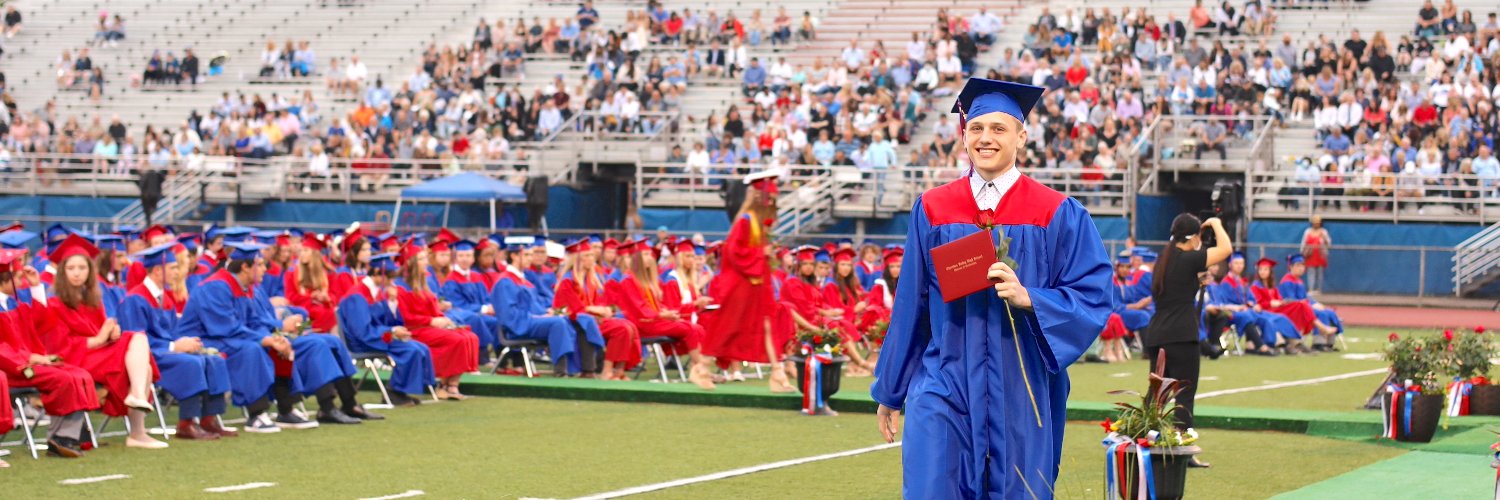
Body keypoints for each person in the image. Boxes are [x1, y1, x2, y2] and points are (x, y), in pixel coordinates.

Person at [870, 79, 1113, 497]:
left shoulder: (1057, 212)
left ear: (1022, 135)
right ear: (963, 135)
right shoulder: (933, 208)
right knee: (932, 486)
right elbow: (913, 303)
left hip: (1022, 386)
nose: (986, 138)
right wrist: (891, 388)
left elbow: (1093, 295)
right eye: (976, 128)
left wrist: (1032, 298)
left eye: (999, 129)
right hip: (944, 380)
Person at [45, 235, 169, 449]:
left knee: (141, 356)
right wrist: (100, 338)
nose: (76, 273)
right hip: (74, 361)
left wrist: (112, 333)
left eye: (82, 268)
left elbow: (103, 332)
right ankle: (137, 422)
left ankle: (137, 415)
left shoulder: (93, 300)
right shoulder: (54, 304)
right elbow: (59, 348)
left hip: (98, 357)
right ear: (62, 272)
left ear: (90, 271)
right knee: (138, 344)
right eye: (71, 268)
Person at [117, 243, 236, 440]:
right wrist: (174, 347)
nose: (178, 272)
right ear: (157, 271)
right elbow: (134, 341)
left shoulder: (165, 298)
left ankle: (209, 419)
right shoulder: (135, 299)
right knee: (191, 363)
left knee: (213, 358)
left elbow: (172, 332)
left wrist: (186, 343)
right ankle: (186, 423)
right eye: (172, 268)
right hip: (148, 357)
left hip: (167, 351)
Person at [1142, 213, 1231, 468]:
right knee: (1184, 394)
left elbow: (1190, 281)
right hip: (1181, 334)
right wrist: (1215, 223)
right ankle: (1182, 449)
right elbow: (1225, 249)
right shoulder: (1189, 258)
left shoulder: (1164, 258)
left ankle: (1143, 439)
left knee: (1157, 394)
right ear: (1194, 237)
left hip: (1158, 332)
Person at [0, 248, 99, 458]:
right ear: (5, 278)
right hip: (12, 368)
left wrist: (36, 288)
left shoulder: (12, 303)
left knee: (79, 374)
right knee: (63, 378)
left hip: (26, 362)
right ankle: (61, 438)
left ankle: (64, 436)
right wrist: (30, 358)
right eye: (18, 277)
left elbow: (41, 323)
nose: (23, 281)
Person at [702, 169, 794, 392]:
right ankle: (702, 367)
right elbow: (733, 252)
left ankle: (777, 373)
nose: (771, 203)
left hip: (756, 282)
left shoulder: (759, 224)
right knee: (729, 327)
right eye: (769, 198)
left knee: (768, 325)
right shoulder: (746, 220)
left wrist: (765, 253)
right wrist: (760, 254)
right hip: (740, 282)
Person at [607, 240, 715, 389]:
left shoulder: (646, 281)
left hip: (654, 321)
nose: (650, 257)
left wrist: (666, 312)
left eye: (649, 254)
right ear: (637, 258)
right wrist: (663, 315)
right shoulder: (628, 280)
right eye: (645, 254)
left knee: (696, 328)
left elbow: (656, 305)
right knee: (691, 329)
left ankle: (700, 369)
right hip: (643, 324)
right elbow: (640, 309)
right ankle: (700, 371)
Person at [339, 251, 436, 405]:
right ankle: (393, 392)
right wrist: (390, 332)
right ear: (377, 273)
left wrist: (392, 303)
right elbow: (361, 330)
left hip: (378, 336)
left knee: (421, 347)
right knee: (411, 350)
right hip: (362, 341)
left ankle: (401, 391)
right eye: (389, 278)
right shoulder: (357, 295)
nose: (391, 283)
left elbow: (388, 320)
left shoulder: (377, 292)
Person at [392, 245, 480, 399]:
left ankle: (452, 386)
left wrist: (444, 320)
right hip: (415, 330)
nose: (426, 262)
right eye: (421, 259)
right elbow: (406, 318)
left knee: (469, 336)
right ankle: (442, 385)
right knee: (455, 339)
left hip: (429, 327)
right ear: (410, 263)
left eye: (425, 258)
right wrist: (432, 321)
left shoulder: (424, 283)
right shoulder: (401, 287)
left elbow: (433, 308)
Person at [490, 240, 586, 376]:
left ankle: (576, 368)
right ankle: (561, 371)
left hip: (531, 322)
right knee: (557, 323)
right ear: (514, 256)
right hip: (517, 327)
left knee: (563, 319)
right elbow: (508, 315)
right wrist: (538, 317)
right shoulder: (505, 281)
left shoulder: (525, 281)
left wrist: (548, 312)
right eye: (528, 255)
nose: (531, 258)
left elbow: (536, 305)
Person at [554, 239, 640, 381]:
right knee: (621, 329)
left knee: (629, 325)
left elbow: (598, 302)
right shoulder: (568, 281)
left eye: (591, 255)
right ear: (577, 260)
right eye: (586, 256)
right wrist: (595, 310)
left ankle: (619, 371)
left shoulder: (591, 279)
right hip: (577, 324)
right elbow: (574, 310)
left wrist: (604, 310)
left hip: (594, 320)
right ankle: (607, 371)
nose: (591, 259)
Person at [1278, 255, 1343, 351]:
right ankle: (1319, 343)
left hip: (1305, 306)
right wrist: (1311, 305)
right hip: (1294, 310)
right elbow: (1291, 300)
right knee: (1320, 313)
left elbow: (1305, 297)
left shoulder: (1299, 281)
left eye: (1302, 266)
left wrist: (1315, 303)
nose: (1301, 268)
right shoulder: (1287, 281)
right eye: (1298, 266)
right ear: (1291, 267)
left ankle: (1329, 343)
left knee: (1329, 312)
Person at [1299, 215, 1330, 293]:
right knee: (1310, 272)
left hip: (1320, 254)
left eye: (1318, 223)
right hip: (1310, 255)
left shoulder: (1324, 231)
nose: (1316, 224)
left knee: (1319, 273)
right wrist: (1302, 252)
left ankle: (1319, 289)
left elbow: (1329, 244)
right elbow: (1303, 243)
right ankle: (1311, 289)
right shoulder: (1307, 231)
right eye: (1315, 223)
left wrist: (1324, 238)